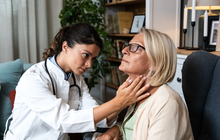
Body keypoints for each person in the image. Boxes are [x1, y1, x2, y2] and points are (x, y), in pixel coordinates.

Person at [3, 23, 151, 140]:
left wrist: (122, 103)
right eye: (85, 55)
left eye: (92, 58)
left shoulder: (77, 79)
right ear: (65, 46)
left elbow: (96, 117)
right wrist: (118, 102)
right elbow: (63, 121)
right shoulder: (34, 78)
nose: (89, 64)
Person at [95, 28, 194, 140]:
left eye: (135, 47)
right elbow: (135, 128)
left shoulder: (167, 104)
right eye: (128, 45)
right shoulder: (136, 93)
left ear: (156, 61)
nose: (124, 51)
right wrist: (117, 129)